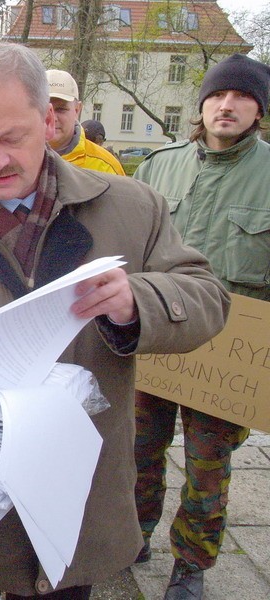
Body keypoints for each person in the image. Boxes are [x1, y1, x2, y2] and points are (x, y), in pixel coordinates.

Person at [0, 42, 229, 600]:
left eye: (13, 138)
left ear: (49, 119)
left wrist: (138, 303)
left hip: (78, 502)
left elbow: (207, 299)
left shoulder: (132, 208)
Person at [131, 53, 270, 600]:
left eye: (241, 96)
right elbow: (128, 249)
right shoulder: (159, 167)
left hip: (228, 352)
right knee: (138, 448)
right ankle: (133, 533)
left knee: (208, 467)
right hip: (158, 338)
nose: (227, 105)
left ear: (259, 108)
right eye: (217, 95)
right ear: (202, 104)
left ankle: (191, 563)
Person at [46, 70, 125, 175]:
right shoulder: (19, 160)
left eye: (61, 109)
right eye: (45, 109)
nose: (53, 118)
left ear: (77, 109)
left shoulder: (105, 167)